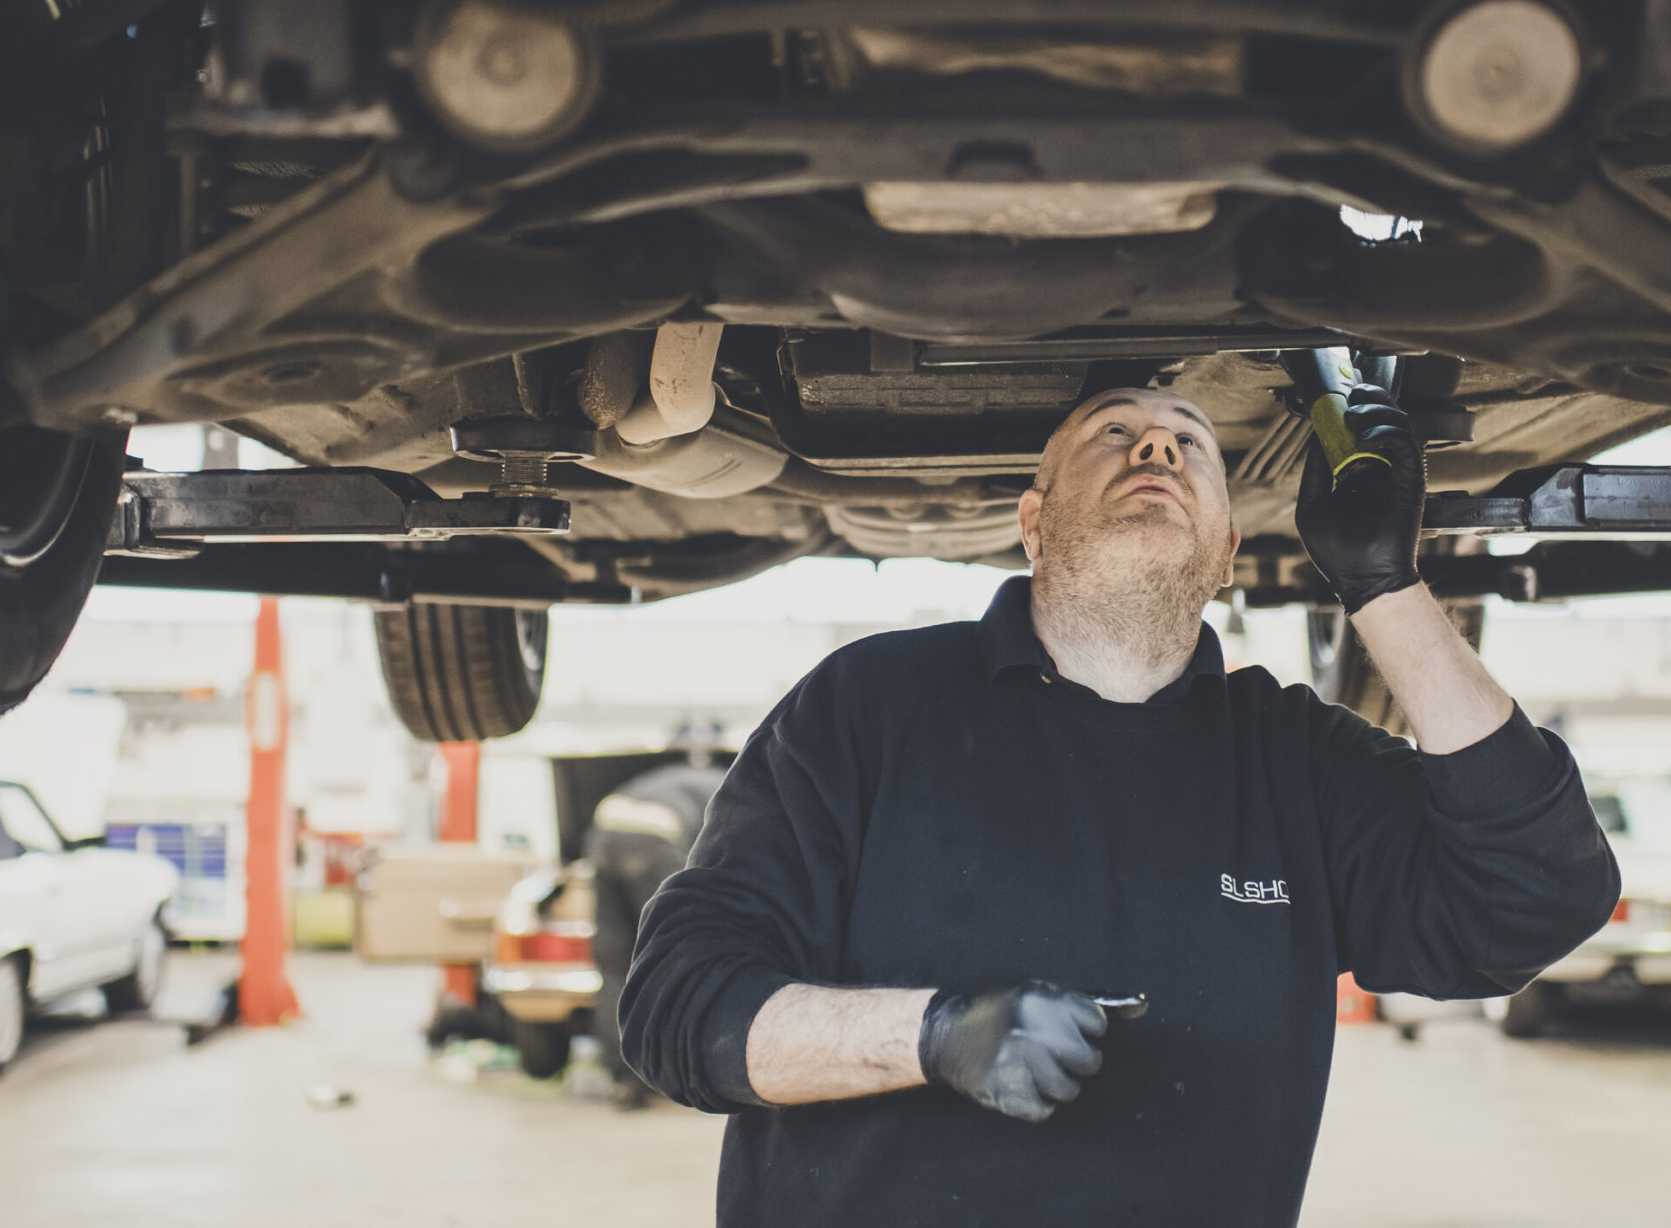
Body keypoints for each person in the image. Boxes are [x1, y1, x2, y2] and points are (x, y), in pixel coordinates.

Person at [621, 383, 1620, 1227]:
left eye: (1191, 442)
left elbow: (1533, 897)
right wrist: (930, 1035)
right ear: (1032, 521)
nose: (1156, 446)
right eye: (1113, 434)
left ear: (1226, 551)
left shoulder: (1293, 757)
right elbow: (678, 1008)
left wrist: (1383, 586)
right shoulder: (874, 705)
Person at [585, 751, 726, 1106]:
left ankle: (623, 1079)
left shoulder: (673, 779)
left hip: (604, 834)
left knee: (615, 961)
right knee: (679, 957)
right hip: (656, 840)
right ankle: (686, 1071)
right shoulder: (734, 786)